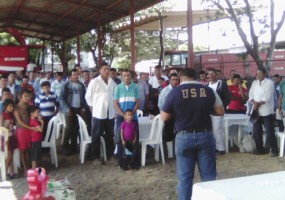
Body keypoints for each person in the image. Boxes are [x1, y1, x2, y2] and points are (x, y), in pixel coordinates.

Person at [161, 68, 224, 200]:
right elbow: (220, 111)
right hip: (205, 135)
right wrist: (206, 111)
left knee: (184, 178)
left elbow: (164, 117)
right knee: (208, 177)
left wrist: (177, 113)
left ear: (180, 77)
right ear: (196, 77)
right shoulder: (208, 90)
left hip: (184, 136)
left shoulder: (175, 92)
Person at [85, 63, 117, 163]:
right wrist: (92, 108)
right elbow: (88, 97)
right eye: (104, 69)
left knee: (110, 134)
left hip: (110, 112)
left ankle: (110, 154)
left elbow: (115, 97)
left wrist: (115, 110)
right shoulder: (94, 82)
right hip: (98, 112)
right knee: (96, 135)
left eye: (108, 69)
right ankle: (95, 157)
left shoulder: (112, 82)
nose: (106, 71)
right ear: (100, 70)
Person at [249, 67, 279, 156]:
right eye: (257, 73)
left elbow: (267, 97)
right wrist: (254, 102)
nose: (258, 75)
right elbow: (250, 94)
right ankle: (260, 149)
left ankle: (274, 150)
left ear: (264, 74)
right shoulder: (254, 83)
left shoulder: (269, 83)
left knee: (269, 131)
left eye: (260, 74)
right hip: (256, 110)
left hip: (267, 111)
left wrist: (258, 104)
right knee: (256, 131)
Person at [114, 69, 139, 165]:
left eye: (128, 75)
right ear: (121, 76)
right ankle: (121, 161)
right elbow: (115, 104)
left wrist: (131, 115)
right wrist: (124, 115)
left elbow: (137, 102)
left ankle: (134, 161)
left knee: (135, 138)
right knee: (121, 139)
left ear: (130, 76)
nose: (126, 77)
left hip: (133, 117)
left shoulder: (135, 87)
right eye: (124, 75)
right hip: (121, 117)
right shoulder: (118, 88)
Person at [59, 69, 87, 155]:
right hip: (69, 108)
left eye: (77, 75)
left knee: (76, 128)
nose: (75, 76)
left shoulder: (81, 85)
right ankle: (64, 146)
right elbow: (61, 98)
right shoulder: (66, 85)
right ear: (70, 76)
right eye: (74, 75)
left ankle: (74, 147)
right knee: (68, 127)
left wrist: (83, 108)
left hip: (78, 108)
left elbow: (85, 98)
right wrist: (67, 109)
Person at [13, 89, 37, 174]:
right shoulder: (16, 107)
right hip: (21, 131)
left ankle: (28, 166)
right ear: (20, 97)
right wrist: (30, 128)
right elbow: (19, 122)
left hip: (28, 130)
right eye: (26, 96)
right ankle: (25, 168)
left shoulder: (29, 106)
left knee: (27, 148)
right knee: (22, 150)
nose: (28, 98)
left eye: (29, 96)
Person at [207, 68, 230, 155]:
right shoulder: (206, 85)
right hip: (208, 111)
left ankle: (221, 148)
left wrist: (222, 107)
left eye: (213, 74)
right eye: (209, 74)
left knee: (217, 129)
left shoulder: (221, 84)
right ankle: (213, 147)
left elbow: (228, 97)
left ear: (217, 75)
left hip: (218, 111)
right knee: (210, 129)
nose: (211, 76)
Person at [158, 73, 179, 158]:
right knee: (168, 133)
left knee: (178, 133)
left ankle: (178, 152)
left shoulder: (180, 89)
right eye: (173, 80)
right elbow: (160, 104)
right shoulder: (165, 91)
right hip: (169, 114)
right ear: (169, 81)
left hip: (179, 115)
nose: (175, 81)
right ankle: (170, 153)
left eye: (176, 80)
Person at [0, 99, 17, 179]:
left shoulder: (12, 115)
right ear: (5, 107)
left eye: (12, 106)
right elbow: (1, 127)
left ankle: (12, 172)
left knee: (12, 154)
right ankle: (4, 171)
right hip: (6, 137)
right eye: (10, 106)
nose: (12, 108)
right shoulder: (2, 115)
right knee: (9, 154)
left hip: (11, 136)